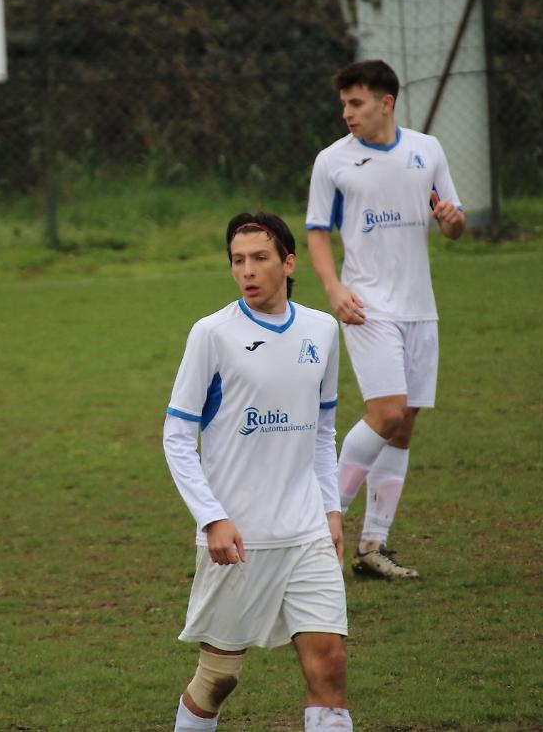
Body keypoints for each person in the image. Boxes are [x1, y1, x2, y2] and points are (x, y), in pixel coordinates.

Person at [163, 212, 353, 732]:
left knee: (328, 664)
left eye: (260, 258)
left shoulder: (322, 330)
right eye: (237, 260)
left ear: (288, 264)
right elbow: (177, 436)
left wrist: (331, 509)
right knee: (218, 678)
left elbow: (322, 431)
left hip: (306, 531)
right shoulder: (212, 335)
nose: (247, 270)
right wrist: (211, 518)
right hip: (237, 537)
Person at [305, 59, 466, 579]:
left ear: (386, 103)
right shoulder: (332, 162)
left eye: (356, 103)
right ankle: (314, 527)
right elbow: (316, 232)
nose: (347, 114)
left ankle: (373, 546)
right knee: (387, 412)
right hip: (368, 307)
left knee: (405, 425)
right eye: (344, 105)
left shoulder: (428, 150)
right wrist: (334, 289)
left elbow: (455, 225)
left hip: (421, 308)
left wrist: (452, 220)